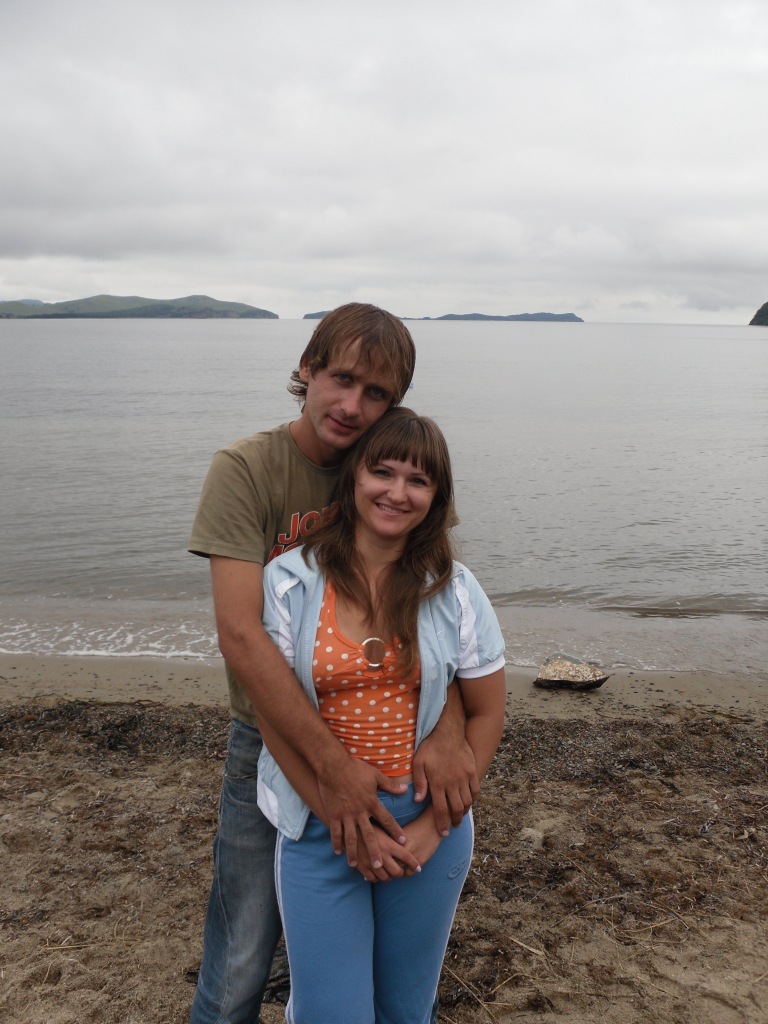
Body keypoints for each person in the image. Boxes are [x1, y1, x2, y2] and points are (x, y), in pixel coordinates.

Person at [187, 304, 480, 1024]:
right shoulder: (247, 469)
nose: (352, 406)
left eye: (376, 393)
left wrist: (448, 727)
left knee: (366, 953)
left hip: (389, 746)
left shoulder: (385, 470)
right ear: (307, 370)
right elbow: (241, 636)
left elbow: (436, 613)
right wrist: (331, 769)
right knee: (245, 949)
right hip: (272, 738)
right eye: (341, 379)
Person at [257, 408, 507, 1024]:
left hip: (429, 828)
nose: (397, 492)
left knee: (405, 1009)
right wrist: (341, 819)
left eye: (418, 480)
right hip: (321, 829)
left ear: (437, 497)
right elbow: (275, 720)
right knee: (330, 1012)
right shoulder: (289, 581)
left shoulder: (454, 589)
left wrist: (436, 828)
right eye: (383, 472)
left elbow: (487, 712)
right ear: (354, 477)